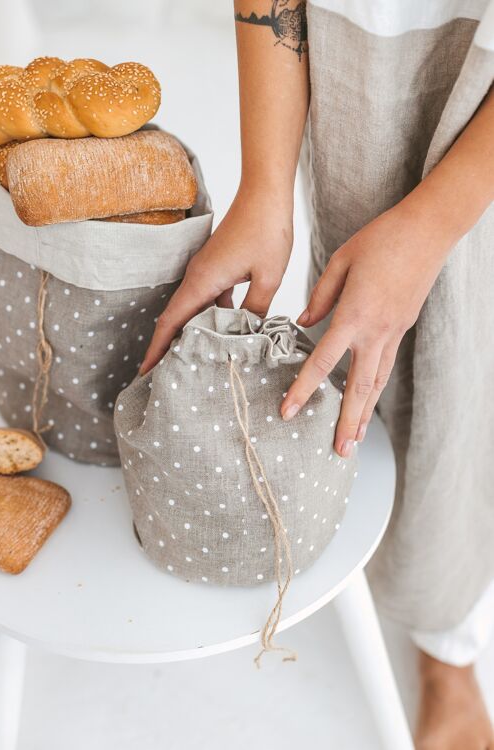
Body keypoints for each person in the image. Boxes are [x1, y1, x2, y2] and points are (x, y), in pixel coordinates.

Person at [140, 1, 494, 746]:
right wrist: (267, 184)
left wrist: (434, 223)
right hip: (365, 47)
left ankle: (447, 643)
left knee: (465, 370)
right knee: (370, 332)